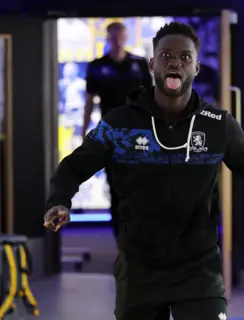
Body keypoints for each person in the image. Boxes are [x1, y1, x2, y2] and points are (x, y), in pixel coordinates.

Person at [44, 22, 244, 320]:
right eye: (166, 55)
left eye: (185, 57)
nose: (175, 62)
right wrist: (60, 199)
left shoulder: (216, 125)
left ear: (196, 68)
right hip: (139, 271)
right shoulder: (119, 124)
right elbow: (75, 165)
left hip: (198, 271)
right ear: (152, 64)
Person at [82, 22, 153, 235]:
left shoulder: (138, 64)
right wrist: (85, 132)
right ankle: (120, 235)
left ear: (126, 38)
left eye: (120, 37)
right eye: (113, 37)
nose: (117, 41)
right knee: (115, 183)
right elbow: (89, 102)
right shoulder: (97, 66)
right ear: (107, 39)